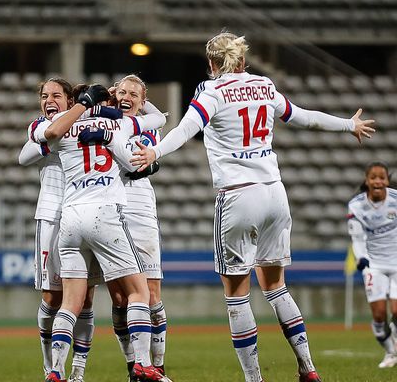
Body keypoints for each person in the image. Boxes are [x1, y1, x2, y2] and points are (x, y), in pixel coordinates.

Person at [132, 31, 375, 382]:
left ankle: (254, 379)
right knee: (277, 287)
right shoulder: (263, 84)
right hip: (275, 193)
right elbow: (302, 116)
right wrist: (347, 124)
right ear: (243, 60)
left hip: (238, 194)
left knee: (236, 294)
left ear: (212, 64)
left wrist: (155, 151)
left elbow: (186, 129)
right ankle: (308, 368)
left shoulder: (210, 90)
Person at [32, 84, 168, 382]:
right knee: (138, 292)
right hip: (106, 214)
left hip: (69, 219)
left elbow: (44, 137)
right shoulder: (117, 124)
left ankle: (55, 371)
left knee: (71, 303)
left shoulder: (60, 125)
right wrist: (150, 162)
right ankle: (143, 365)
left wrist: (80, 107)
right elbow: (148, 140)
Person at [19, 77, 115, 382]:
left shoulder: (89, 125)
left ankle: (78, 371)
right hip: (52, 216)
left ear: (70, 100)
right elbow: (23, 156)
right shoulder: (41, 128)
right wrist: (55, 140)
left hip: (87, 214)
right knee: (51, 297)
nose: (49, 100)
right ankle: (50, 369)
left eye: (56, 95)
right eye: (44, 95)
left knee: (86, 298)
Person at [81, 74, 168, 379]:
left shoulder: (147, 124)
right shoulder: (103, 121)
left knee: (152, 293)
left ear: (142, 102)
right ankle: (134, 366)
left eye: (134, 93)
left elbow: (157, 121)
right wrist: (106, 96)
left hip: (141, 209)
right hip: (108, 208)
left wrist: (141, 100)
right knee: (120, 297)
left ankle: (157, 366)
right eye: (122, 91)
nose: (126, 96)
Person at [348, 162, 397, 369]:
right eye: (373, 177)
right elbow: (357, 239)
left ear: (387, 180)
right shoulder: (356, 205)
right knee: (378, 315)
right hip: (374, 265)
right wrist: (362, 259)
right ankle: (390, 352)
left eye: (381, 177)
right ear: (367, 181)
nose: (378, 181)